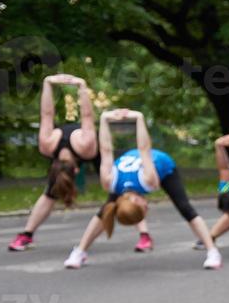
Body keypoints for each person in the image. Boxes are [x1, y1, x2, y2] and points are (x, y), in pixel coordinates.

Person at [62, 110, 221, 269]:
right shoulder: (112, 183)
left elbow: (142, 148)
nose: (148, 207)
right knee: (105, 211)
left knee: (185, 208)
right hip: (134, 164)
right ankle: (80, 251)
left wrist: (138, 118)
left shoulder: (143, 180)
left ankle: (212, 251)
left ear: (134, 200)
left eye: (144, 208)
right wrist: (104, 119)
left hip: (164, 167)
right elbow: (106, 150)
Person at [9, 74, 149, 252]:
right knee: (51, 193)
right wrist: (78, 86)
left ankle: (144, 235)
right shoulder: (48, 146)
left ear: (74, 170)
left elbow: (55, 114)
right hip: (80, 150)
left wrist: (49, 83)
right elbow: (81, 114)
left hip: (99, 151)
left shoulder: (79, 146)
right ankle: (26, 235)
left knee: (123, 189)